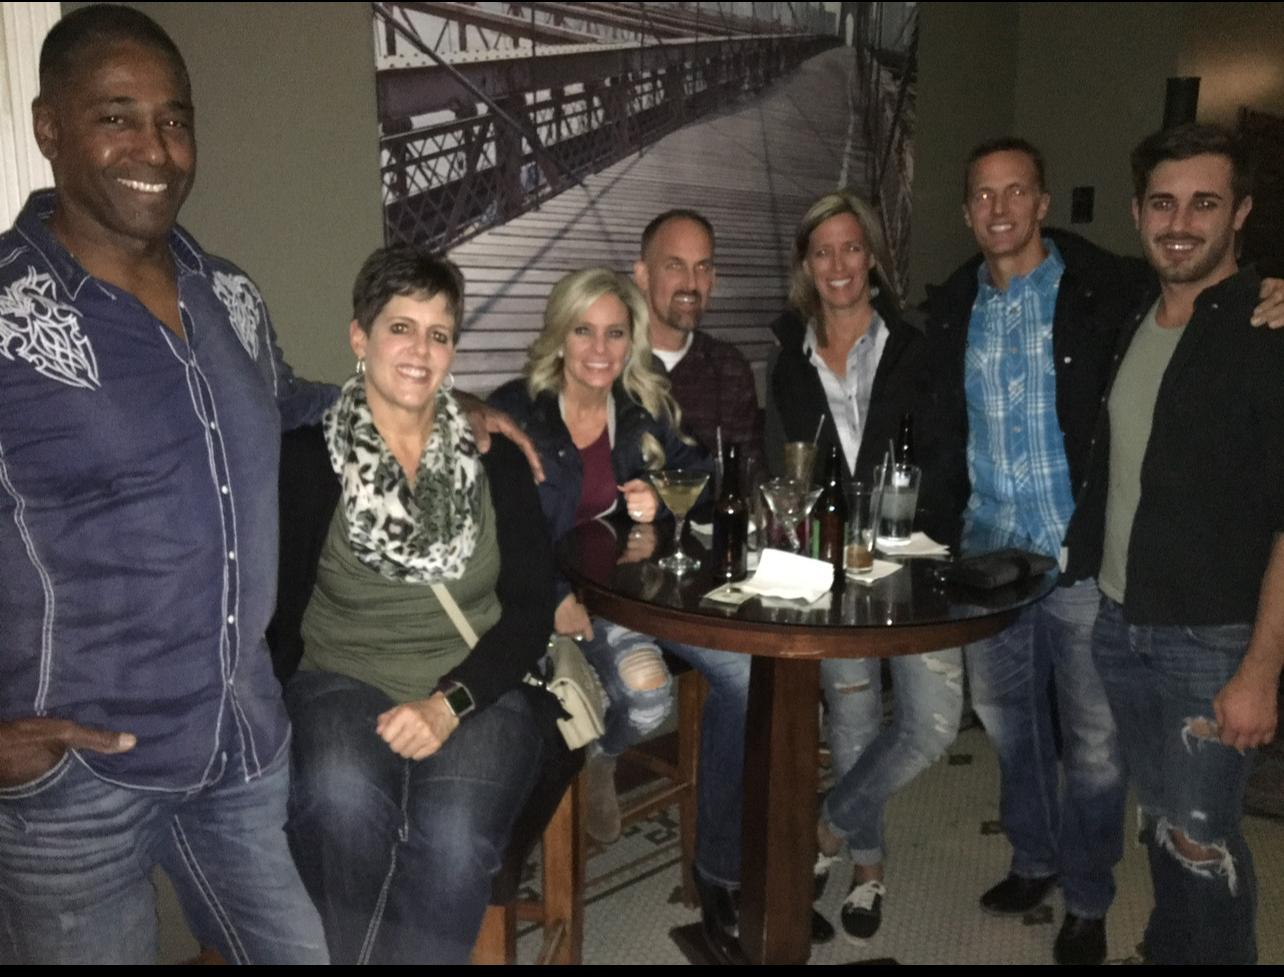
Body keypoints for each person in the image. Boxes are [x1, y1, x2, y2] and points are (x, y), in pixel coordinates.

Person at [0, 6, 331, 963]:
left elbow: (287, 399)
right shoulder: (9, 315)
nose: (155, 148)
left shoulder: (227, 292)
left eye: (174, 120)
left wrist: (422, 405)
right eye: (117, 116)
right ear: (49, 128)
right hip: (74, 778)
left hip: (237, 739)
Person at [923, 137, 1284, 965]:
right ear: (967, 210)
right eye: (984, 194)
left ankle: (1087, 894)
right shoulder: (957, 306)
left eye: (1018, 190)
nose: (1001, 208)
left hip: (1086, 570)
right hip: (997, 561)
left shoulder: (1106, 290)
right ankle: (1034, 859)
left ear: (1044, 202)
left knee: (1105, 756)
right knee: (1019, 733)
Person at [279, 247, 557, 964]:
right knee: (338, 800)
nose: (420, 351)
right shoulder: (306, 461)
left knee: (455, 838)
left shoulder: (494, 458)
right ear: (360, 336)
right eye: (401, 327)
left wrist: (448, 703)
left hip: (479, 684)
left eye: (439, 334)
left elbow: (531, 609)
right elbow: (275, 616)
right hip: (340, 678)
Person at [489, 268, 751, 954]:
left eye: (615, 332)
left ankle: (718, 867)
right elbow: (496, 528)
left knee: (746, 675)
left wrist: (660, 498)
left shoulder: (640, 407)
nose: (600, 349)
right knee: (648, 693)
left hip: (627, 597)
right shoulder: (516, 410)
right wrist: (552, 598)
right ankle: (596, 754)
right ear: (560, 334)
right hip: (542, 603)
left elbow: (702, 475)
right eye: (584, 330)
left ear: (631, 340)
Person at [1077, 123, 1283, 965]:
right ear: (1137, 212)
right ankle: (1167, 948)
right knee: (1162, 820)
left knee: (1203, 838)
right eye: (1163, 203)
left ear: (1241, 212)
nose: (1180, 223)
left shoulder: (1268, 332)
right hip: (1121, 619)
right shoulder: (1135, 310)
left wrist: (1262, 669)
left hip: (1213, 638)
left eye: (1204, 203)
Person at [764, 190, 963, 944]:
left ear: (872, 257)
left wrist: (921, 530)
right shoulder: (787, 359)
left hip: (915, 567)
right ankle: (868, 868)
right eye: (823, 251)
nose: (839, 264)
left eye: (851, 247)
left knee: (932, 722)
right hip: (834, 574)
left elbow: (950, 454)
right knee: (850, 721)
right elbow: (781, 469)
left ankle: (828, 822)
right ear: (806, 266)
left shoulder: (919, 344)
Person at [633, 209, 764, 468]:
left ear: (713, 279)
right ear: (643, 276)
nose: (691, 284)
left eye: (702, 267)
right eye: (675, 266)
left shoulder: (728, 368)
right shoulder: (606, 362)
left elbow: (750, 474)